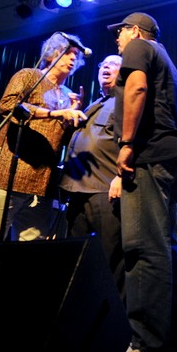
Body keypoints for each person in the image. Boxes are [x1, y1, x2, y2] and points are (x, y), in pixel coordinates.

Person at [108, 12, 177, 352]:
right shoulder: (167, 59)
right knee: (164, 244)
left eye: (121, 32)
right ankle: (172, 335)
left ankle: (147, 339)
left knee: (142, 247)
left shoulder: (139, 48)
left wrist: (127, 142)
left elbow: (138, 87)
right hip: (174, 154)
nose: (118, 39)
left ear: (136, 31)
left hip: (150, 153)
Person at [0, 32, 88, 244]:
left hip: (43, 181)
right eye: (67, 52)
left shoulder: (68, 95)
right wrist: (55, 113)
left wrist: (73, 114)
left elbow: (63, 139)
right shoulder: (29, 76)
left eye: (76, 55)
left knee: (31, 254)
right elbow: (8, 106)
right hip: (8, 172)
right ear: (52, 53)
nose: (72, 58)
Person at [59, 54, 125, 301]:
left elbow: (134, 143)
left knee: (110, 259)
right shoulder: (92, 104)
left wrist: (121, 177)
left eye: (113, 64)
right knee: (78, 259)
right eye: (103, 65)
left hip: (104, 191)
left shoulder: (125, 102)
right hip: (76, 191)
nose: (106, 67)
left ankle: (113, 323)